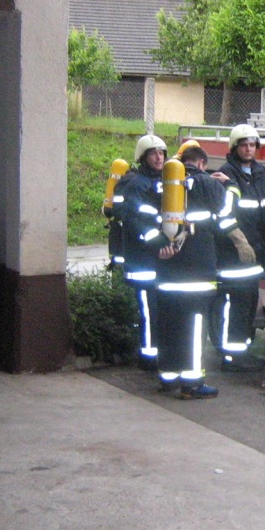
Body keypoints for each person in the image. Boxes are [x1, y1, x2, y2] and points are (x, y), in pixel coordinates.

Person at [155, 144, 257, 399]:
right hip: (196, 272)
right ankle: (192, 384)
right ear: (201, 163)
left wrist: (159, 248)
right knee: (194, 328)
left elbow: (148, 220)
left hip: (167, 271)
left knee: (169, 325)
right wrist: (230, 185)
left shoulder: (163, 184)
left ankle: (168, 377)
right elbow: (226, 214)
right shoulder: (207, 184)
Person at [212, 123, 265, 372]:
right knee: (237, 306)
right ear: (234, 148)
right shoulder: (226, 176)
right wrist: (239, 242)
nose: (249, 149)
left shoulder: (260, 173)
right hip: (234, 255)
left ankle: (241, 353)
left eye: (252, 145)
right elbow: (223, 216)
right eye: (244, 145)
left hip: (256, 252)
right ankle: (232, 358)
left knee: (249, 305)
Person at [115, 134, 167, 370]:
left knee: (159, 312)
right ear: (143, 157)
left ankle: (158, 354)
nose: (159, 157)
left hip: (159, 261)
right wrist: (159, 243)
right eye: (153, 153)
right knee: (149, 312)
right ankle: (148, 358)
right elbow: (135, 222)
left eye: (161, 153)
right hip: (142, 263)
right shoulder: (135, 184)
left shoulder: (164, 181)